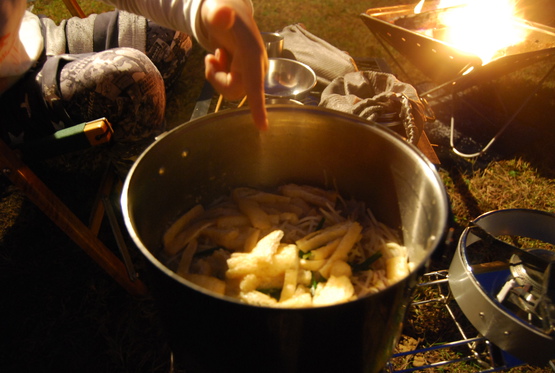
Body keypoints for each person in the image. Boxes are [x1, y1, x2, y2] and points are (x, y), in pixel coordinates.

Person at [0, 0, 268, 152]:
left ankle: (143, 112)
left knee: (172, 33)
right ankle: (147, 178)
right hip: (10, 95)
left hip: (34, 38)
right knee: (131, 81)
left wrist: (202, 9)